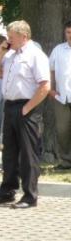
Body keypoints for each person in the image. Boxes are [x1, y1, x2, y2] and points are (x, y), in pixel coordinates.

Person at [0, 21, 50, 209]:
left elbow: (45, 85)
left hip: (26, 107)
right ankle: (7, 192)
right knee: (9, 153)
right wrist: (0, 53)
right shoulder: (10, 55)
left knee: (28, 154)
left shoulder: (35, 55)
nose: (8, 39)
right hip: (10, 106)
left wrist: (27, 108)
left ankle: (30, 196)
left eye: (11, 36)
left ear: (24, 36)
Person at [49, 21, 71, 169]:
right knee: (62, 130)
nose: (70, 35)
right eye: (68, 32)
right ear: (65, 33)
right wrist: (51, 89)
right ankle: (66, 161)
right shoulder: (58, 50)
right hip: (62, 96)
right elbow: (51, 69)